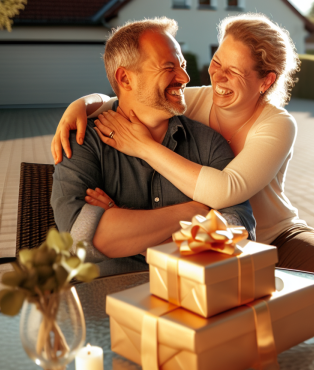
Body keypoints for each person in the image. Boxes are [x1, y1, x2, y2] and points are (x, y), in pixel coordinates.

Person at [53, 13, 314, 283]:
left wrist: (141, 155)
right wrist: (82, 104)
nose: (214, 75)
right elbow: (132, 98)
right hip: (193, 254)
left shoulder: (274, 125)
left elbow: (227, 206)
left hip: (273, 235)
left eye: (236, 72)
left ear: (265, 82)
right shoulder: (194, 101)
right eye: (217, 62)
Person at [51, 17, 255, 276]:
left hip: (191, 293)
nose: (184, 77)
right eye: (169, 67)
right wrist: (195, 211)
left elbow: (238, 230)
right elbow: (78, 241)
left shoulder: (209, 142)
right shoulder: (83, 140)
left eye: (182, 64)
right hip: (104, 301)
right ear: (125, 79)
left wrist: (121, 222)